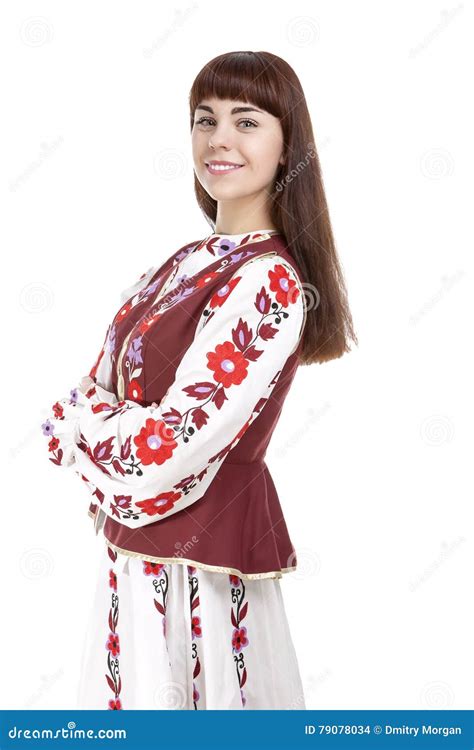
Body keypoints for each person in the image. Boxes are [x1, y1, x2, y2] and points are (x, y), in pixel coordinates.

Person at [40, 50, 357, 710]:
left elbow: (162, 448)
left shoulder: (269, 281)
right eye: (204, 119)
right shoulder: (182, 262)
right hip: (132, 562)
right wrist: (98, 429)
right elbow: (67, 415)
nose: (218, 139)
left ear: (286, 143)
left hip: (201, 573)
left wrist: (92, 431)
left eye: (247, 122)